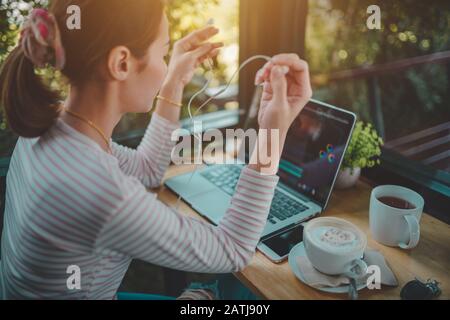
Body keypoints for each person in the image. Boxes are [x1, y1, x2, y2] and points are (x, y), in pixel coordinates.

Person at [0, 0, 312, 299]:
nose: (165, 67)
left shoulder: (51, 124)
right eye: (163, 53)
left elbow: (147, 171)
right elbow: (234, 250)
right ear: (121, 62)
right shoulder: (102, 192)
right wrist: (273, 133)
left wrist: (174, 80)